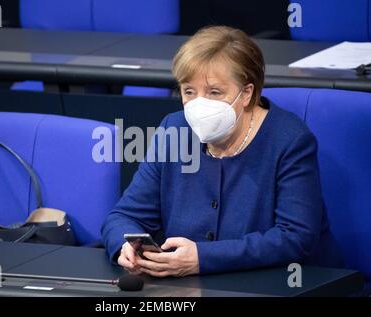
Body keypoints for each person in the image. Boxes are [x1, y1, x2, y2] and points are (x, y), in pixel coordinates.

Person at [101, 25, 343, 277]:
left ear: (246, 93)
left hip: (281, 283)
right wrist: (124, 246)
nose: (198, 104)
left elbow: (296, 237)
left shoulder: (290, 140)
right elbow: (124, 215)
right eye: (189, 91)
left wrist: (202, 258)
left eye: (214, 92)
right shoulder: (174, 129)